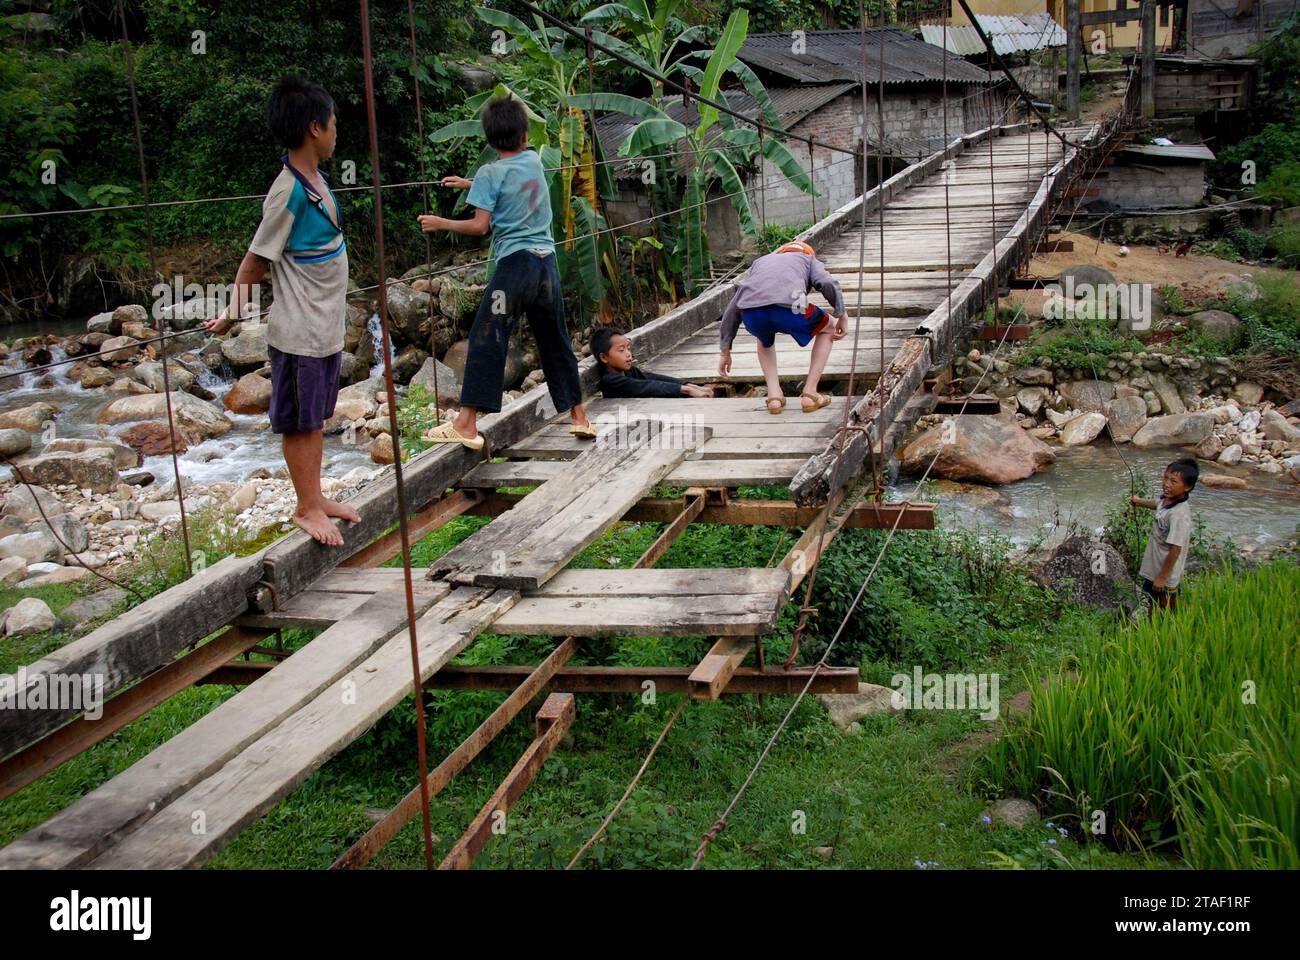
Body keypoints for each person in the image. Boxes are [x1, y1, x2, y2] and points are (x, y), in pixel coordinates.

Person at [204, 77, 359, 547]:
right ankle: (306, 506)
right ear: (315, 128)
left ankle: (316, 496)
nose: (337, 132)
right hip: (299, 332)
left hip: (323, 327)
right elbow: (255, 260)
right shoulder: (286, 192)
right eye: (333, 124)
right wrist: (231, 314)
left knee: (316, 416)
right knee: (300, 421)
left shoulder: (315, 181)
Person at [417, 95, 594, 450]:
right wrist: (471, 185)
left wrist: (440, 223)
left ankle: (466, 424)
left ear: (488, 139)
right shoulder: (532, 162)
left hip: (515, 269)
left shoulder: (489, 172)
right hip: (546, 267)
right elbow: (510, 184)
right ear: (525, 134)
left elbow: (480, 226)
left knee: (487, 335)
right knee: (556, 340)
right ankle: (579, 417)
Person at [716, 240, 850, 414]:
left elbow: (733, 308)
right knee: (830, 327)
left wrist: (725, 351)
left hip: (752, 315)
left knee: (763, 338)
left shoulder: (761, 262)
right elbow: (826, 282)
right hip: (791, 309)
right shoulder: (807, 259)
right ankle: (810, 392)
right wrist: (842, 314)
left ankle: (774, 396)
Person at [1129, 458, 1198, 615]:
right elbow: (1157, 504)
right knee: (1151, 603)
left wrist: (1162, 577)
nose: (1167, 484)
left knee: (1166, 610)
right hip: (1155, 567)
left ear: (1187, 487)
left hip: (1165, 575)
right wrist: (1138, 501)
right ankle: (1151, 628)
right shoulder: (1167, 500)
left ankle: (1165, 633)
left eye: (1174, 481)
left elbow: (1175, 549)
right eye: (1165, 478)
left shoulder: (1179, 515)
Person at [593, 327, 713, 399]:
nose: (628, 353)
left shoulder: (627, 371)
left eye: (628, 348)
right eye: (621, 350)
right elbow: (645, 386)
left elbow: (651, 378)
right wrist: (686, 390)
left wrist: (689, 385)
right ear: (604, 358)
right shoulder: (611, 380)